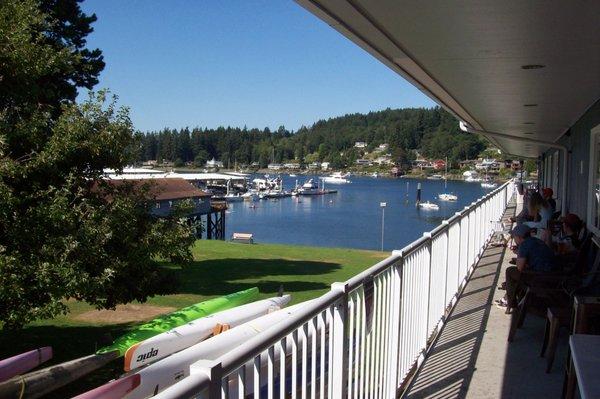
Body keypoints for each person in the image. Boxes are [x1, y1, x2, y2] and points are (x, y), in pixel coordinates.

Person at [496, 224, 557, 312]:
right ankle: (511, 299)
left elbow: (520, 268)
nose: (514, 239)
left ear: (519, 237)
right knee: (516, 275)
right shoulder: (536, 241)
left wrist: (518, 255)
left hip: (541, 276)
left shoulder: (524, 245)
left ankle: (510, 304)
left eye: (514, 237)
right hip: (552, 273)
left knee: (510, 271)